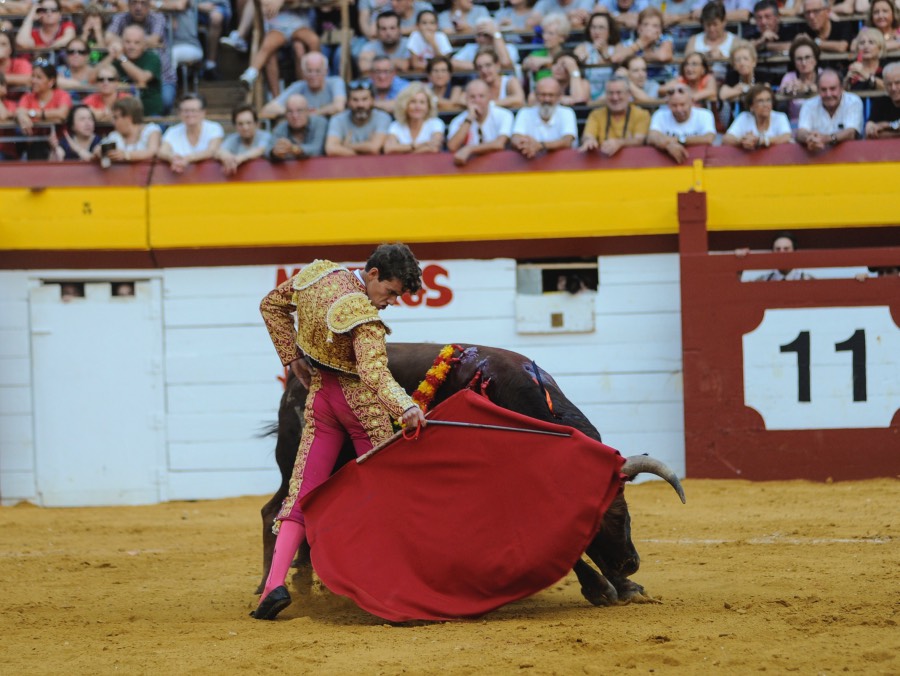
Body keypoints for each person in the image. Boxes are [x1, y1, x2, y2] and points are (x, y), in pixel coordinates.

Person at [253, 244, 427, 621]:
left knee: (299, 494)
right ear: (374, 273)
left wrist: (292, 355)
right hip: (361, 409)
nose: (391, 302)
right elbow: (374, 374)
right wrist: (407, 407)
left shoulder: (319, 275)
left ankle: (273, 586)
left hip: (321, 400)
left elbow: (270, 305)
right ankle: (387, 588)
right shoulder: (363, 317)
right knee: (387, 495)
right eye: (391, 291)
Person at [106, 0, 177, 112]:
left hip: (162, 76)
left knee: (165, 101)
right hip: (130, 74)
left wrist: (126, 42)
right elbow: (108, 37)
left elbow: (154, 39)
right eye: (134, 3)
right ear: (128, 5)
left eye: (143, 3)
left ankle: (163, 124)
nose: (138, 7)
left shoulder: (158, 18)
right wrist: (134, 42)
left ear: (149, 5)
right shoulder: (120, 17)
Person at [236, 1, 320, 95]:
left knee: (310, 42)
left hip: (298, 24)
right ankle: (252, 74)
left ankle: (314, 78)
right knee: (268, 47)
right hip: (277, 26)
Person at [447, 78, 514, 165]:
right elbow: (452, 146)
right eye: (472, 97)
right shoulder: (459, 120)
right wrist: (469, 118)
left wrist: (470, 149)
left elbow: (500, 143)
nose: (477, 101)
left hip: (500, 167)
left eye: (481, 96)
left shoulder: (504, 115)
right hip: (469, 170)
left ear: (489, 97)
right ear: (466, 98)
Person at [260, 52, 347, 119]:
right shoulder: (299, 86)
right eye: (309, 71)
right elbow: (268, 109)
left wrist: (311, 113)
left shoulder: (335, 82)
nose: (313, 75)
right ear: (303, 72)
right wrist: (293, 112)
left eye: (317, 71)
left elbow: (339, 107)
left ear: (326, 71)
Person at [101, 25, 164, 117]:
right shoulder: (116, 57)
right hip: (121, 115)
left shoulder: (152, 58)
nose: (131, 46)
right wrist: (111, 55)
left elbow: (142, 78)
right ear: (122, 43)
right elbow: (94, 77)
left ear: (144, 45)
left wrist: (121, 58)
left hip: (149, 113)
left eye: (137, 43)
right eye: (128, 42)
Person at [578, 75, 650, 155]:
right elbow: (588, 135)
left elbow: (639, 140)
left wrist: (619, 143)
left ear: (629, 94)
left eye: (619, 93)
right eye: (610, 93)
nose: (615, 97)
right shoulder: (596, 114)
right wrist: (589, 140)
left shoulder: (642, 114)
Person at [15, 60, 72, 157]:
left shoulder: (62, 95)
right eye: (33, 76)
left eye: (39, 77)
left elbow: (62, 114)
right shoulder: (28, 96)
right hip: (33, 144)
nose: (33, 80)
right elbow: (20, 110)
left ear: (51, 82)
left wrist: (32, 114)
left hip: (61, 143)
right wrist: (21, 116)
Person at [511, 77, 578, 159]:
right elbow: (515, 137)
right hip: (531, 164)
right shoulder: (524, 112)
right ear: (535, 95)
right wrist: (525, 144)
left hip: (563, 165)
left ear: (559, 96)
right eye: (543, 95)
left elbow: (567, 141)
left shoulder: (567, 112)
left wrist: (540, 145)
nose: (547, 99)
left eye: (551, 95)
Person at [796, 69, 863, 151]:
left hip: (850, 156)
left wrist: (826, 139)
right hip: (816, 158)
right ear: (818, 90)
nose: (828, 94)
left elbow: (851, 133)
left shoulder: (853, 101)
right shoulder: (808, 104)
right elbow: (800, 132)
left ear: (842, 88)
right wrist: (809, 138)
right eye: (823, 90)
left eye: (833, 89)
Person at [647, 85, 716, 163]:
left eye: (682, 105)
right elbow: (652, 137)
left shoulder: (705, 114)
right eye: (674, 105)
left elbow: (708, 138)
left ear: (692, 102)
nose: (679, 109)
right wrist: (668, 146)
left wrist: (678, 140)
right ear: (668, 104)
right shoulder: (660, 115)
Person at [158, 93, 224, 172]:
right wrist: (172, 158)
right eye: (185, 111)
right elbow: (162, 151)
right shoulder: (172, 131)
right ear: (179, 113)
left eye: (194, 110)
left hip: (210, 176)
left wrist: (187, 159)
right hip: (180, 177)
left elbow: (212, 150)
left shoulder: (214, 128)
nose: (189, 114)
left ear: (203, 112)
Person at [325, 80, 392, 156]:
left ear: (372, 100)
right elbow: (331, 149)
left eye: (364, 99)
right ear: (348, 102)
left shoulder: (382, 117)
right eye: (355, 100)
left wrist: (346, 146)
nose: (360, 104)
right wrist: (359, 154)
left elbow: (374, 148)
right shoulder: (337, 119)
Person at [611, 7, 674, 81]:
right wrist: (641, 43)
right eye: (646, 24)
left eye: (655, 26)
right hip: (635, 82)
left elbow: (663, 56)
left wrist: (640, 54)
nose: (649, 29)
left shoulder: (665, 39)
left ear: (660, 29)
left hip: (663, 81)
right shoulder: (630, 43)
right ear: (639, 27)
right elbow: (615, 58)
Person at [722, 83, 792, 149]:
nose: (765, 105)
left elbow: (786, 137)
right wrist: (742, 140)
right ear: (751, 106)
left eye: (768, 100)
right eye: (760, 101)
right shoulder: (744, 117)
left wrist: (762, 141)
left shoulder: (780, 117)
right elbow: (726, 139)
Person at [384, 81, 445, 154]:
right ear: (405, 105)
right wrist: (416, 146)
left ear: (428, 106)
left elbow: (434, 148)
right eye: (413, 102)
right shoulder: (396, 126)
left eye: (422, 102)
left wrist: (402, 150)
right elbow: (388, 149)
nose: (417, 107)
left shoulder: (436, 123)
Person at [684, 2, 737, 80]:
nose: (712, 29)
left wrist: (723, 58)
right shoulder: (694, 40)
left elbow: (741, 65)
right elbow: (685, 66)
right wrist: (705, 58)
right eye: (708, 25)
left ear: (724, 22)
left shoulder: (734, 41)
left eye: (715, 24)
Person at [266, 93, 328, 161]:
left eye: (299, 111)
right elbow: (267, 151)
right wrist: (275, 152)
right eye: (290, 111)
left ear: (308, 111)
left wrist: (293, 148)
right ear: (285, 114)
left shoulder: (320, 123)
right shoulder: (281, 127)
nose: (295, 116)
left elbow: (317, 149)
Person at [574, 12, 620, 100]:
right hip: (586, 95)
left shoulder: (617, 48)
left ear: (610, 31)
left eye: (601, 27)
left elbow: (617, 61)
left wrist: (603, 52)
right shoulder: (582, 47)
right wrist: (583, 58)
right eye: (593, 27)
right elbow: (575, 61)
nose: (596, 31)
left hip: (611, 96)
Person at [102, 95, 162, 162]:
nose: (113, 122)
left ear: (128, 118)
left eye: (116, 118)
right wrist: (99, 151)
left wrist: (126, 155)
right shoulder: (115, 135)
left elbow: (152, 151)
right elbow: (101, 149)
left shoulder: (151, 130)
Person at [779, 35, 822, 126]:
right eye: (799, 59)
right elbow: (783, 91)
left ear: (815, 59)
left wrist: (807, 89)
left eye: (807, 57)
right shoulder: (789, 77)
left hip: (820, 123)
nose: (803, 63)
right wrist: (789, 90)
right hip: (795, 124)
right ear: (794, 62)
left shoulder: (824, 75)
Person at [216, 104, 271, 175]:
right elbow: (219, 151)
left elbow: (261, 149)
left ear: (256, 124)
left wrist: (240, 158)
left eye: (249, 123)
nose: (245, 128)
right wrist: (228, 158)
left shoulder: (266, 136)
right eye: (240, 124)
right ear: (235, 126)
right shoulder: (234, 138)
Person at [739, 232, 814, 281]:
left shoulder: (807, 279)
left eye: (786, 249)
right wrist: (738, 260)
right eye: (778, 249)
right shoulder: (764, 280)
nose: (781, 252)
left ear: (794, 252)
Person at [451, 17, 517, 71]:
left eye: (486, 35)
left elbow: (506, 64)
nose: (481, 39)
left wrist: (496, 33)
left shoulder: (509, 47)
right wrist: (481, 66)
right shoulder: (471, 48)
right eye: (479, 35)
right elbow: (451, 63)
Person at [358, 11, 410, 75]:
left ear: (399, 29)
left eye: (392, 28)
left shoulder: (409, 44)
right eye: (383, 29)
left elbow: (406, 65)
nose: (388, 33)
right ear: (377, 31)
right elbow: (364, 67)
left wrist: (375, 62)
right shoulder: (370, 47)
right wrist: (396, 62)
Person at [865, 61, 900, 138]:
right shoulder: (880, 103)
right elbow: (869, 132)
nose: (893, 88)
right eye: (889, 84)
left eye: (897, 83)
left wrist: (885, 126)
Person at [198, 0, 231, 78]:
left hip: (218, 5)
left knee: (216, 17)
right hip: (191, 6)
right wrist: (197, 6)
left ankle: (210, 65)